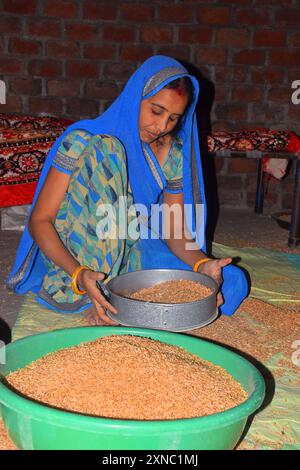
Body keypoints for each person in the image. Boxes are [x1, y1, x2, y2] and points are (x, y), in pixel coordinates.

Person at [7, 56, 248, 325]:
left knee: (231, 283)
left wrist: (202, 264)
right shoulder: (85, 141)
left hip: (132, 242)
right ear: (136, 97)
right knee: (108, 150)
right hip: (81, 249)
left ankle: (118, 290)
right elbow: (40, 221)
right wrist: (79, 273)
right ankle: (97, 290)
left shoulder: (172, 152)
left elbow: (173, 229)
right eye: (156, 111)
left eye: (173, 118)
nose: (161, 127)